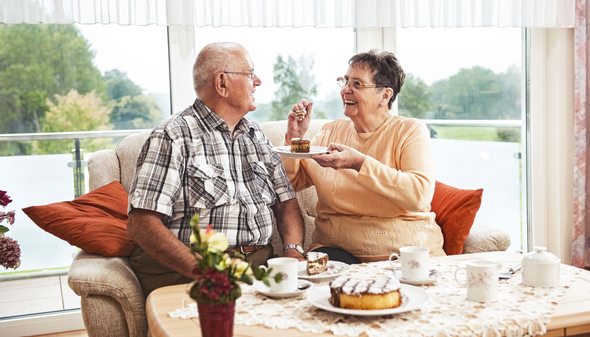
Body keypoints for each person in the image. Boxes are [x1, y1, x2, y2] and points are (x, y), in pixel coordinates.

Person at [127, 42, 306, 298]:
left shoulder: (256, 135)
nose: (258, 82)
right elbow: (141, 225)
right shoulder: (173, 136)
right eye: (250, 74)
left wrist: (292, 249)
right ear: (222, 83)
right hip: (192, 272)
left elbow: (286, 201)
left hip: (258, 268)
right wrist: (207, 271)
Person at [282, 49, 445, 264]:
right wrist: (295, 140)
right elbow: (289, 184)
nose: (345, 90)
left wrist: (359, 163)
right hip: (335, 255)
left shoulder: (409, 131)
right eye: (345, 81)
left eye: (357, 84)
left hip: (405, 255)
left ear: (384, 95)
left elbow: (419, 195)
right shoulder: (330, 133)